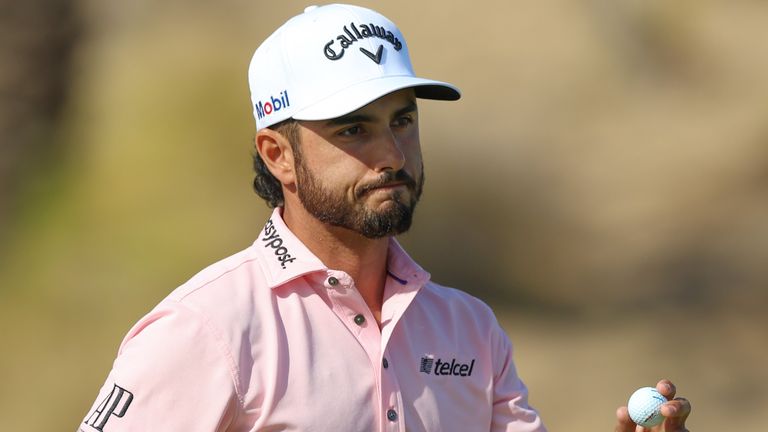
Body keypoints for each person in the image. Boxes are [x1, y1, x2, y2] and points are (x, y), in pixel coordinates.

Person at [80, 4, 691, 431]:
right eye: (353, 129)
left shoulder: (469, 329)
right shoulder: (205, 329)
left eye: (402, 121)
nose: (393, 155)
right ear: (278, 155)